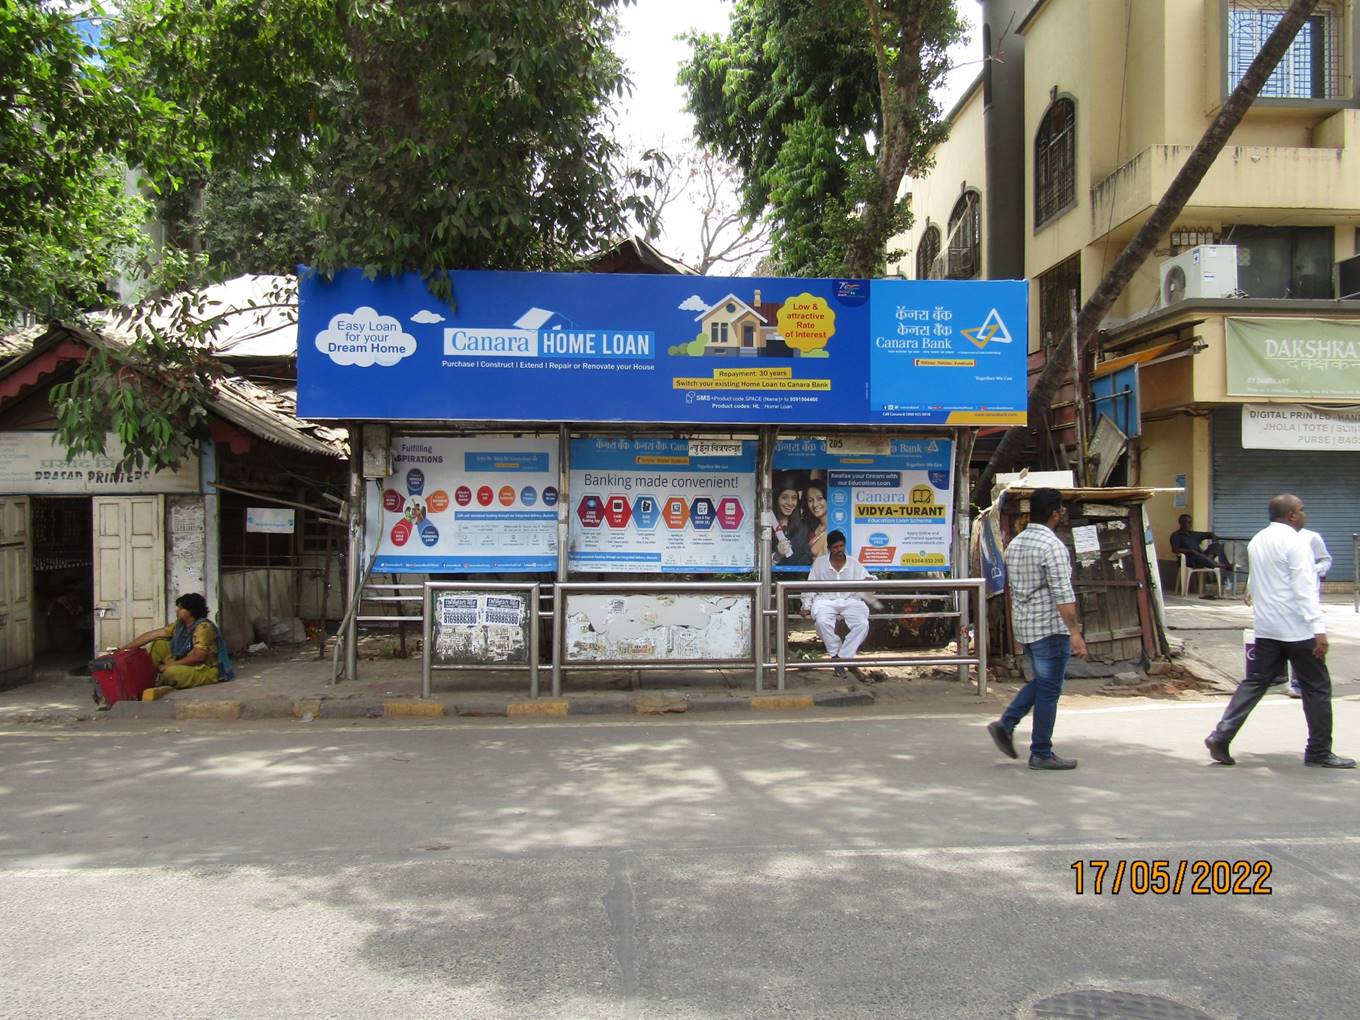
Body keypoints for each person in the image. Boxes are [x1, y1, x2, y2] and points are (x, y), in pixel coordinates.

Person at [1204, 495, 1353, 769]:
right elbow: (1305, 589)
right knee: (1317, 688)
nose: (1305, 515)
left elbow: (1257, 581)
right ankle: (1319, 751)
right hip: (1297, 629)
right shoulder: (1296, 542)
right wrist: (1318, 629)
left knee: (1256, 682)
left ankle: (1221, 735)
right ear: (1292, 515)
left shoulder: (1259, 539)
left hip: (1267, 627)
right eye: (1302, 510)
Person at [986, 487, 1088, 771]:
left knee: (1043, 683)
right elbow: (1063, 596)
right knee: (1050, 689)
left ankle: (1006, 723)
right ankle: (1041, 751)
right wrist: (1075, 633)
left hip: (1026, 625)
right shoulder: (1052, 546)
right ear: (1056, 513)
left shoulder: (1016, 543)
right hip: (1050, 627)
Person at [801, 529, 877, 679]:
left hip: (850, 600)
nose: (839, 550)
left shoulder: (854, 563)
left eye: (841, 546)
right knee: (821, 622)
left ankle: (841, 659)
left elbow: (870, 581)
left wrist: (870, 581)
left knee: (862, 624)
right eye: (835, 547)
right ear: (829, 548)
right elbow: (810, 586)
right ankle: (836, 656)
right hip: (825, 600)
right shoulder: (820, 563)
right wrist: (806, 605)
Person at [118, 593, 235, 690]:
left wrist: (169, 665)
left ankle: (163, 677)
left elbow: (198, 657)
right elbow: (152, 635)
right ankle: (151, 677)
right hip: (187, 663)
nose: (177, 611)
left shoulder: (203, 627)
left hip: (205, 669)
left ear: (190, 611)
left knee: (171, 673)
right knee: (159, 644)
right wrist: (124, 649)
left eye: (180, 608)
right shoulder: (180, 625)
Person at [1287, 527, 1332, 698]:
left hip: (1306, 596)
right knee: (1289, 642)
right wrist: (1251, 585)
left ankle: (1302, 684)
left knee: (1306, 640)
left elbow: (1325, 560)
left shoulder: (1311, 537)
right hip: (1281, 600)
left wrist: (1315, 569)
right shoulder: (1274, 538)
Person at [771, 473, 812, 567]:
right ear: (776, 498)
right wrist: (777, 556)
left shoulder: (803, 528)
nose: (790, 503)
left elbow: (806, 558)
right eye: (784, 497)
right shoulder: (766, 526)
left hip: (794, 580)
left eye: (794, 498)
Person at [803, 479, 830, 560]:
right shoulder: (808, 528)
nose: (815, 504)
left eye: (820, 498)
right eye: (810, 500)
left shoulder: (839, 526)